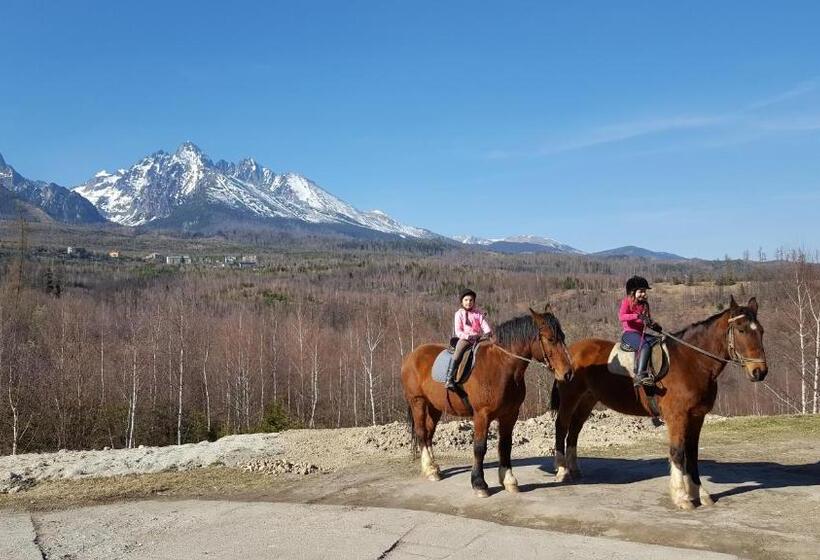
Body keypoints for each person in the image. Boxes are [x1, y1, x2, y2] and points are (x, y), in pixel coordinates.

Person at [619, 276, 663, 386]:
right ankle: (640, 375)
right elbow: (622, 317)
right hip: (629, 333)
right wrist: (637, 316)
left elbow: (646, 321)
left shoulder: (644, 305)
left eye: (644, 291)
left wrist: (654, 326)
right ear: (632, 292)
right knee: (645, 346)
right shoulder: (626, 302)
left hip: (640, 333)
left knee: (659, 341)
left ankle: (654, 370)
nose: (643, 294)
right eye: (641, 291)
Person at [445, 289, 492, 390]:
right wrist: (467, 336)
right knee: (458, 352)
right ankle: (449, 378)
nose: (468, 302)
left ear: (474, 302)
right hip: (465, 339)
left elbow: (484, 324)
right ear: (462, 302)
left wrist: (488, 332)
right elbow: (458, 330)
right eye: (466, 300)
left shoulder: (478, 313)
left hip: (478, 339)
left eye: (471, 300)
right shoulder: (459, 314)